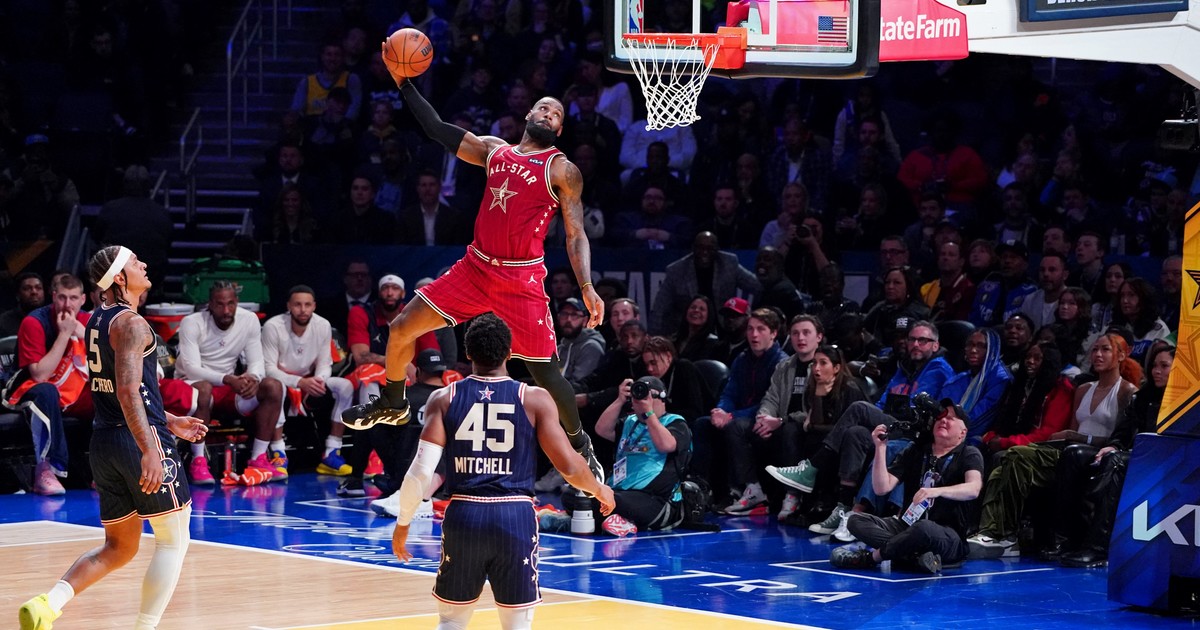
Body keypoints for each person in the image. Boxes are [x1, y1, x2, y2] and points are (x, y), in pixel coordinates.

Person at [341, 71, 606, 487]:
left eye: (556, 115)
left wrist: (587, 286)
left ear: (559, 131)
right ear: (528, 115)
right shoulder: (494, 151)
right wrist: (405, 83)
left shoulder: (562, 169)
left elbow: (576, 235)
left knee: (547, 375)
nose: (548, 114)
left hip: (520, 280)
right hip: (475, 267)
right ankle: (393, 401)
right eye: (543, 108)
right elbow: (435, 128)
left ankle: (580, 445)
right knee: (402, 327)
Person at [18, 246, 207, 630]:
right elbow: (127, 391)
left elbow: (121, 390)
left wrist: (168, 419)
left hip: (104, 442)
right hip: (136, 441)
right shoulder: (132, 324)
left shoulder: (96, 320)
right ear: (120, 277)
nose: (145, 264)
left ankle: (48, 604)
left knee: (119, 547)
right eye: (136, 262)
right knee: (174, 540)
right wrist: (151, 447)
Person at [390, 314, 615, 630]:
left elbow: (420, 474)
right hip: (514, 516)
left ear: (468, 353)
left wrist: (403, 522)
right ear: (511, 353)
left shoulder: (443, 398)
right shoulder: (534, 398)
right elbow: (569, 465)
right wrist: (599, 489)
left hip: (465, 515)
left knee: (451, 621)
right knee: (516, 625)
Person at [968, 333, 1140, 557]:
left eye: (1105, 350)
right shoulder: (1083, 389)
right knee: (1008, 458)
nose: (1098, 354)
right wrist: (1070, 437)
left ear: (1122, 355)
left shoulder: (1127, 391)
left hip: (1097, 455)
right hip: (1070, 452)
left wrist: (1082, 438)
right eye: (1095, 349)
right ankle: (999, 534)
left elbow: (1119, 439)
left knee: (1018, 454)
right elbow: (1072, 433)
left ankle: (1002, 533)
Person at [830, 400, 984, 574]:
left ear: (963, 432)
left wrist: (936, 491)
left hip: (947, 535)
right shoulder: (916, 451)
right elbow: (881, 488)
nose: (943, 420)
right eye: (940, 417)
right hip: (907, 526)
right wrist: (881, 448)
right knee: (855, 520)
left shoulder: (969, 454)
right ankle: (916, 557)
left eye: (951, 418)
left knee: (924, 528)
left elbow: (973, 488)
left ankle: (872, 558)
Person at [261, 285, 355, 476]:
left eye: (307, 305)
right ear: (289, 306)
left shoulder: (323, 325)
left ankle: (332, 451)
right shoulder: (273, 326)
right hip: (282, 380)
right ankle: (278, 452)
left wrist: (318, 380)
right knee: (276, 388)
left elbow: (325, 363)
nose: (303, 310)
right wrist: (299, 382)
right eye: (297, 305)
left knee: (345, 386)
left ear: (314, 306)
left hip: (310, 380)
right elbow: (268, 369)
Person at [594, 375, 692, 535]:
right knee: (577, 494)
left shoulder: (676, 423)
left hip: (656, 499)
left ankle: (607, 518)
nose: (640, 400)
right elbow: (601, 430)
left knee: (612, 502)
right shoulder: (629, 422)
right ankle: (619, 520)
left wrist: (649, 413)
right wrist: (619, 400)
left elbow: (666, 445)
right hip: (619, 492)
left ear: (661, 398)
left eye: (647, 396)